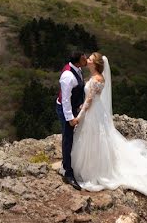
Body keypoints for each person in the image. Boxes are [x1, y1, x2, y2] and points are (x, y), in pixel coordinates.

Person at [71, 52, 147, 203]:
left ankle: (92, 169)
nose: (87, 60)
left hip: (93, 113)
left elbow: (89, 101)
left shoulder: (96, 79)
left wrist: (79, 117)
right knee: (96, 139)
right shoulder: (97, 78)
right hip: (96, 111)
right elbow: (91, 99)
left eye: (90, 59)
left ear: (95, 64)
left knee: (93, 138)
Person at [56, 51, 87, 190]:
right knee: (67, 139)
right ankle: (68, 173)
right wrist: (70, 118)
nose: (86, 59)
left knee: (71, 138)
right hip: (65, 110)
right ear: (78, 61)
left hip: (74, 107)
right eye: (83, 58)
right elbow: (66, 100)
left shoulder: (77, 69)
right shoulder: (68, 76)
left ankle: (67, 163)